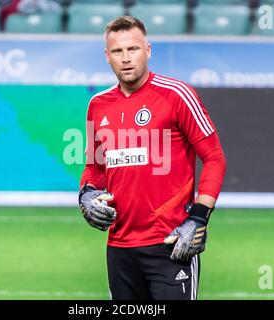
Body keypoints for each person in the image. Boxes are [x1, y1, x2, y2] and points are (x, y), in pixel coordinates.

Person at [78, 16, 226, 300]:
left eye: (132, 49)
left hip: (171, 244)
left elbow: (215, 158)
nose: (126, 58)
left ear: (148, 50)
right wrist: (86, 193)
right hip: (119, 248)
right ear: (107, 56)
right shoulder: (98, 105)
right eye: (118, 51)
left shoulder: (176, 95)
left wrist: (198, 218)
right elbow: (95, 167)